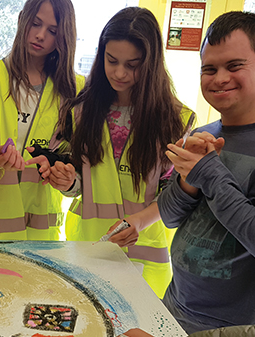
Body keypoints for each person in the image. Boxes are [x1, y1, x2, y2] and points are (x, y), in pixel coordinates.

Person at [123, 1, 255, 336]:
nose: (219, 78)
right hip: (174, 306)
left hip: (240, 328)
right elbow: (170, 217)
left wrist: (208, 173)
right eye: (209, 69)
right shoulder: (204, 134)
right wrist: (188, 183)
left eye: (234, 65)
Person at [55, 7, 194, 299]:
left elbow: (176, 194)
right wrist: (67, 181)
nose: (120, 73)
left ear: (152, 63)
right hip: (90, 247)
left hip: (146, 255)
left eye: (132, 65)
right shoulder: (80, 111)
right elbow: (81, 183)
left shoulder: (177, 120)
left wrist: (141, 220)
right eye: (111, 61)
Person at [0, 0, 85, 240]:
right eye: (35, 23)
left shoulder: (75, 89)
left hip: (43, 232)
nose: (40, 35)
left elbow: (78, 163)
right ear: (22, 18)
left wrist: (63, 172)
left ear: (63, 36)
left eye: (52, 31)